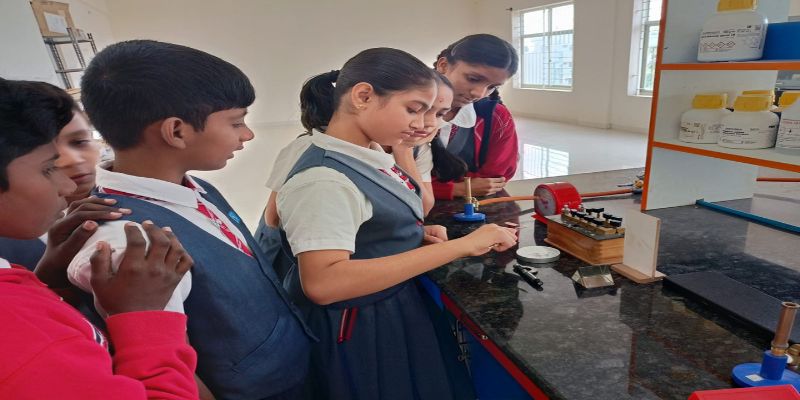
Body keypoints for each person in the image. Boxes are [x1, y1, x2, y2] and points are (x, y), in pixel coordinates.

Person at [67, 40, 315, 399]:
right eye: (236, 122)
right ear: (177, 131)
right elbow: (171, 365)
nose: (247, 134)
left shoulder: (192, 187)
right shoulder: (130, 243)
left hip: (286, 370)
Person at [277, 47, 518, 399]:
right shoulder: (323, 179)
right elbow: (324, 282)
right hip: (358, 326)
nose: (423, 125)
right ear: (363, 96)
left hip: (387, 307)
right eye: (413, 110)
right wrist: (462, 246)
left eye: (432, 112)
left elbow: (370, 223)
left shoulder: (370, 153)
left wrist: (406, 235)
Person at [0, 78, 198, 400]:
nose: (67, 185)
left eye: (81, 141)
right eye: (48, 168)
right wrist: (145, 319)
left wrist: (48, 283)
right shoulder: (22, 337)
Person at [432, 34, 520, 200]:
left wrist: (430, 185)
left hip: (476, 205)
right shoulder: (407, 110)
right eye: (473, 79)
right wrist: (455, 188)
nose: (479, 93)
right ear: (443, 66)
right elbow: (390, 178)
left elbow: (494, 178)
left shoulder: (496, 116)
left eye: (492, 87)